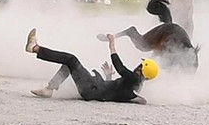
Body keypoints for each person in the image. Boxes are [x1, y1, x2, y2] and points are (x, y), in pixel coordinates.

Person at [25, 28, 157, 103]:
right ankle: (49, 88)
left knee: (71, 59)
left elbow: (120, 67)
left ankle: (35, 48)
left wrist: (112, 44)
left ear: (142, 69)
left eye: (141, 65)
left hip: (92, 89)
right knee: (69, 66)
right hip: (95, 89)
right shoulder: (136, 85)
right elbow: (114, 93)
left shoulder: (134, 78)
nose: (138, 66)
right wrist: (108, 76)